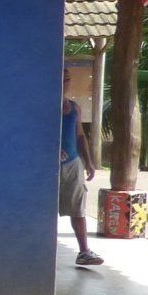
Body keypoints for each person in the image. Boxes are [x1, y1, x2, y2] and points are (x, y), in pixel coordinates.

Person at [61, 89, 103, 266]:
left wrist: (88, 162)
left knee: (78, 207)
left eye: (68, 79)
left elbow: (79, 135)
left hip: (73, 162)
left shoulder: (74, 107)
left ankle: (84, 252)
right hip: (47, 166)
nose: (65, 83)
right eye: (62, 78)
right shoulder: (42, 107)